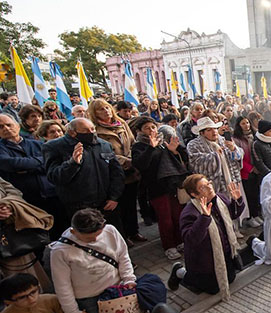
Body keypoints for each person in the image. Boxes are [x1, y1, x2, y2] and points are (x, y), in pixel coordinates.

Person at [49, 209, 137, 313]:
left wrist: (128, 279)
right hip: (89, 298)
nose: (95, 239)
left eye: (98, 235)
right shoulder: (60, 252)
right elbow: (62, 286)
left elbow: (123, 256)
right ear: (74, 232)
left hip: (117, 287)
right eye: (89, 238)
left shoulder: (110, 230)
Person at [42, 118, 125, 234]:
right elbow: (54, 177)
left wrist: (114, 197)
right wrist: (72, 163)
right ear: (72, 132)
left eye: (92, 129)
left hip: (106, 204)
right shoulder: (55, 147)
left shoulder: (103, 144)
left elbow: (116, 172)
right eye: (85, 131)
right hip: (78, 207)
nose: (91, 133)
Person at [168, 175, 245, 300]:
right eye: (204, 187)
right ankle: (179, 272)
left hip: (224, 253)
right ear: (194, 194)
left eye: (209, 183)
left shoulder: (219, 198)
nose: (210, 187)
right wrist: (204, 217)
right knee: (213, 288)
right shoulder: (189, 212)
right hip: (204, 261)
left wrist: (238, 201)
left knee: (230, 279)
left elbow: (233, 214)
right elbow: (191, 240)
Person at [131, 118, 190, 260]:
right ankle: (169, 246)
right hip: (156, 188)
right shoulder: (139, 146)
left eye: (153, 127)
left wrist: (174, 151)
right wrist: (151, 148)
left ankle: (180, 241)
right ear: (139, 131)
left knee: (177, 215)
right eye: (147, 128)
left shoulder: (163, 143)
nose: (152, 130)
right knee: (165, 219)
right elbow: (141, 165)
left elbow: (181, 159)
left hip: (172, 185)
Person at [89, 99, 145, 244]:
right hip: (114, 172)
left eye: (107, 108)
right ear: (94, 113)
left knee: (131, 204)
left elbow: (133, 143)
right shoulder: (95, 129)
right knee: (118, 207)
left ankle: (134, 232)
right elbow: (102, 152)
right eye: (101, 109)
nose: (105, 111)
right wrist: (122, 160)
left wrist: (132, 158)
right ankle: (123, 236)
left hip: (130, 170)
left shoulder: (121, 123)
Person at [187, 117, 244, 197]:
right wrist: (215, 155)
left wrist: (233, 149)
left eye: (215, 128)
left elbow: (239, 155)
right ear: (202, 133)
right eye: (209, 130)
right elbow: (196, 164)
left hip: (233, 181)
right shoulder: (193, 145)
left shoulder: (223, 140)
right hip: (214, 186)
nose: (214, 132)